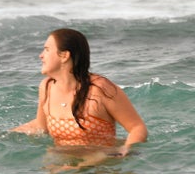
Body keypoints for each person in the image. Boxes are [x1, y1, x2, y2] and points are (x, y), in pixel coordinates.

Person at [13, 28, 147, 159]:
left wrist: (125, 150)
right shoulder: (46, 87)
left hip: (100, 167)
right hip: (62, 164)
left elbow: (137, 127)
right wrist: (3, 136)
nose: (41, 55)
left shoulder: (100, 89)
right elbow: (41, 127)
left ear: (64, 55)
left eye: (47, 50)